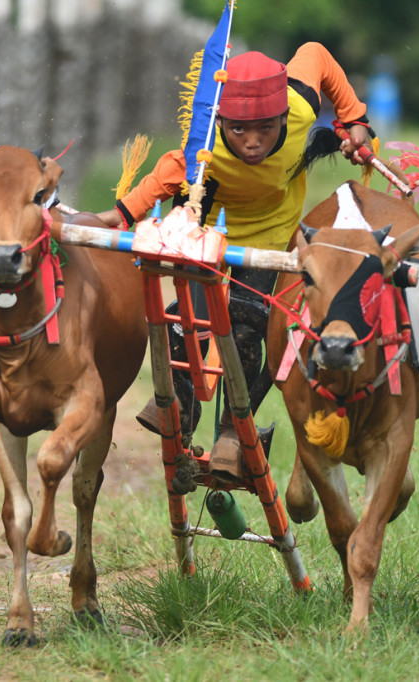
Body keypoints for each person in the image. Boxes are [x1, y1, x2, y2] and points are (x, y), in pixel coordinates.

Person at [97, 45, 377, 481]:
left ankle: (233, 429)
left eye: (266, 128)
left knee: (248, 325)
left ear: (284, 117)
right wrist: (120, 214)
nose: (252, 141)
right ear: (221, 121)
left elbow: (316, 54)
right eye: (239, 129)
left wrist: (355, 120)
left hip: (269, 230)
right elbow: (166, 175)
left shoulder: (301, 103)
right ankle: (180, 405)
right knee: (185, 319)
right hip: (208, 227)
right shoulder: (204, 145)